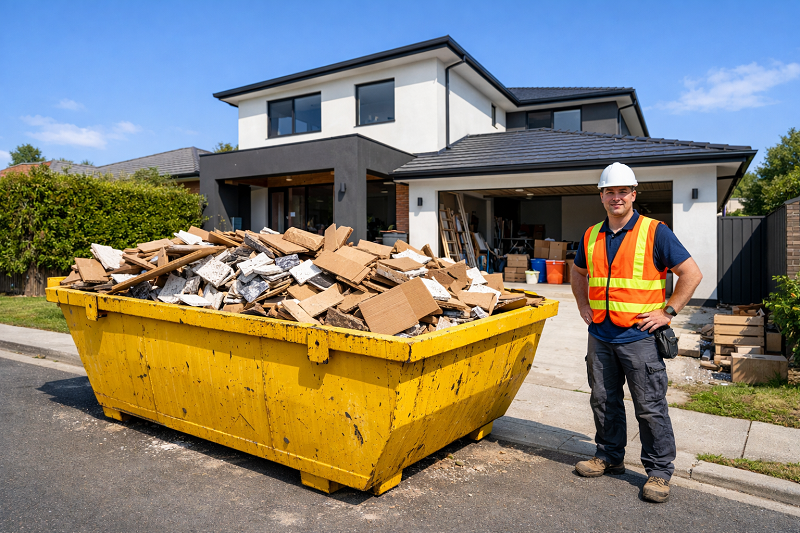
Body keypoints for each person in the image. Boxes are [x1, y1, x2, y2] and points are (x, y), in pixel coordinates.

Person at [570, 162, 703, 503]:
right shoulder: (590, 235)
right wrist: (583, 305)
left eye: (622, 191)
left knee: (649, 405)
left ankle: (659, 472)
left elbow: (691, 274)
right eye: (609, 192)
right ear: (601, 196)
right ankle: (609, 456)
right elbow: (578, 273)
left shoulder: (655, 231)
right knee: (603, 399)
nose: (616, 197)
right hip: (600, 334)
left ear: (633, 194)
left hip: (639, 337)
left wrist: (668, 311)